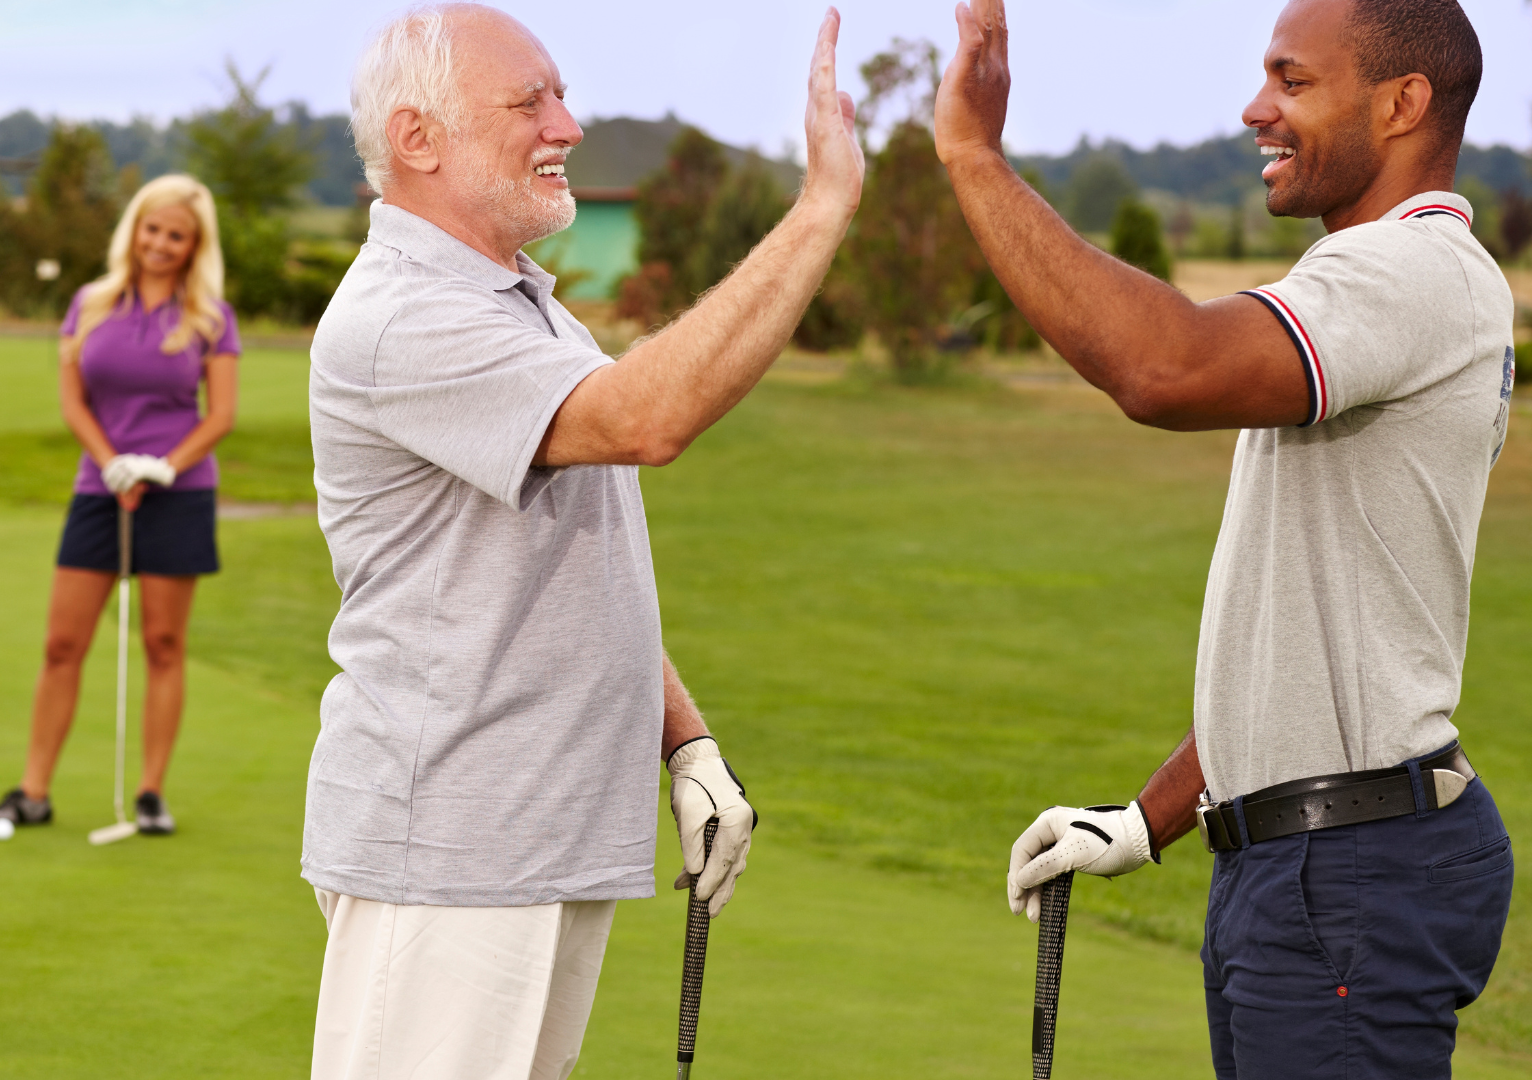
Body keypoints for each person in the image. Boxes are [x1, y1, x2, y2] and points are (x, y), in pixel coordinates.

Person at [934, 0, 1513, 1075]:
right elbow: (1304, 658)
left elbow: (1165, 368)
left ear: (1401, 104)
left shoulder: (1410, 272)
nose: (1256, 109)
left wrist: (974, 156)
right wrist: (1145, 820)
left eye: (1293, 81)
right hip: (1314, 861)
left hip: (1347, 874)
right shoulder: (1383, 280)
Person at [303, 5, 863, 1077]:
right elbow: (648, 417)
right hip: (455, 846)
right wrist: (820, 209)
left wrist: (686, 743)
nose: (568, 124)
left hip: (539, 837)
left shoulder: (523, 305)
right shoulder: (405, 314)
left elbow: (569, 573)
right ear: (419, 138)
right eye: (532, 101)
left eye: (561, 96)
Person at [0, 175, 240, 837]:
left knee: (164, 644)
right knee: (62, 644)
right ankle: (33, 792)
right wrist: (113, 463)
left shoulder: (211, 317)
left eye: (177, 236)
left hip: (179, 493)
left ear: (195, 245)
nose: (161, 244)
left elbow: (222, 415)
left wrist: (163, 467)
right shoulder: (89, 304)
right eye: (153, 229)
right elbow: (73, 402)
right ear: (134, 230)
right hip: (99, 489)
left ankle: (150, 794)